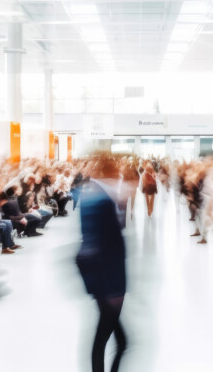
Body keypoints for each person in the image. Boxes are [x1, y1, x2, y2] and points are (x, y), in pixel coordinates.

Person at [76, 156, 128, 372]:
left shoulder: (90, 194)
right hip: (107, 281)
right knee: (111, 338)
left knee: (119, 339)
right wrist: (114, 289)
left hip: (98, 277)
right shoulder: (104, 201)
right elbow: (108, 246)